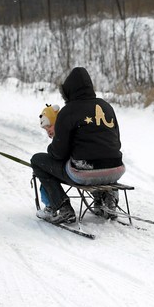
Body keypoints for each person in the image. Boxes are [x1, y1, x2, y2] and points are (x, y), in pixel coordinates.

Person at [31, 67, 124, 224]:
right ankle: (107, 198)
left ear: (68, 91)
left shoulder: (68, 111)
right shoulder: (107, 107)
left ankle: (62, 207)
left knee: (37, 160)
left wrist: (51, 149)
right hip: (116, 170)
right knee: (101, 157)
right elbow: (117, 142)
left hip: (85, 172)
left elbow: (59, 154)